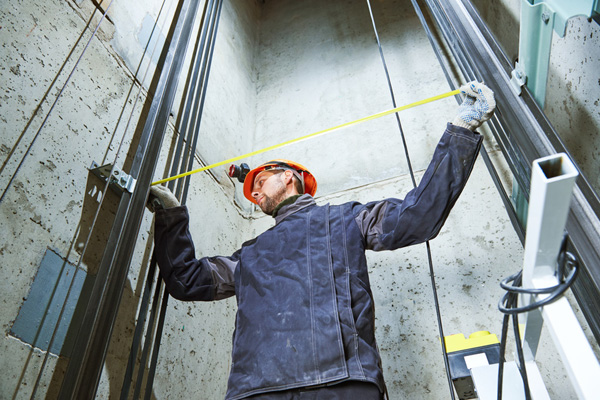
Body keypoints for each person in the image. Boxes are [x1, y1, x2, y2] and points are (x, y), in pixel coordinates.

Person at [148, 81, 495, 400]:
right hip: (257, 391)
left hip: (341, 384)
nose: (253, 191)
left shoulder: (347, 220)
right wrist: (171, 217)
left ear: (288, 177)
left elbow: (417, 218)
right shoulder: (249, 256)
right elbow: (187, 281)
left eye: (260, 181)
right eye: (251, 189)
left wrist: (460, 130)